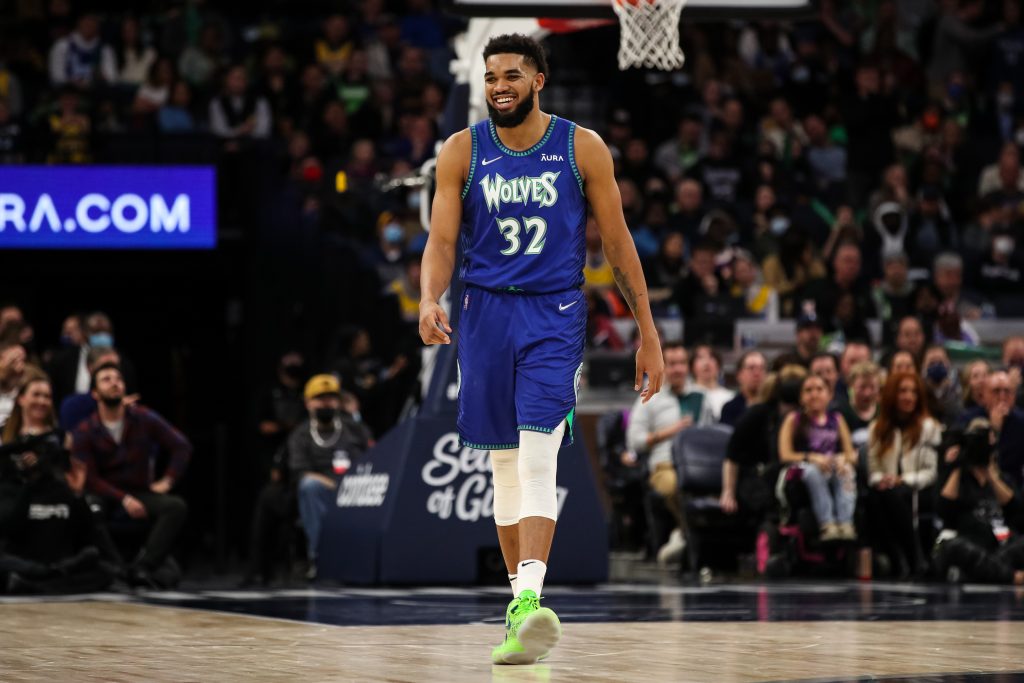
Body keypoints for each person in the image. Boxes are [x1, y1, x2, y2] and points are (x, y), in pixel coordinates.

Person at [418, 34, 663, 665]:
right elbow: (442, 241)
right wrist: (428, 298)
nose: (499, 84)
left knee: (536, 453)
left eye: (512, 75)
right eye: (491, 74)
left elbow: (618, 243)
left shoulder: (582, 148)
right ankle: (518, 611)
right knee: (502, 464)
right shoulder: (461, 151)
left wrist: (649, 333)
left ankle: (530, 599)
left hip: (553, 314)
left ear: (538, 80)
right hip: (483, 316)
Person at [71, 364, 191, 587]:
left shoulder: (142, 418)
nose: (115, 382)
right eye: (106, 379)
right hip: (106, 491)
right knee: (89, 508)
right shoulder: (85, 429)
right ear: (95, 393)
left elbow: (181, 446)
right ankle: (116, 567)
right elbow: (91, 479)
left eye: (118, 378)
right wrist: (123, 499)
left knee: (175, 506)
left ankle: (144, 566)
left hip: (138, 489)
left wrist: (167, 480)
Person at [285, 374, 372, 580]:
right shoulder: (301, 434)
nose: (326, 403)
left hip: (359, 488)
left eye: (331, 398)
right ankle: (321, 558)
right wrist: (334, 485)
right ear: (308, 403)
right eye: (320, 399)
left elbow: (375, 454)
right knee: (309, 486)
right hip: (324, 490)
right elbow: (300, 472)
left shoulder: (353, 427)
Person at [626, 342, 697, 566]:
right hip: (663, 466)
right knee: (676, 486)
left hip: (699, 465)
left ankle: (683, 538)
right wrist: (669, 432)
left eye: (682, 363)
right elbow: (634, 441)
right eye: (672, 364)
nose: (678, 369)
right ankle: (690, 537)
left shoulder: (700, 397)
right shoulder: (650, 397)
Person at [867, 371, 941, 578]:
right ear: (892, 394)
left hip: (918, 489)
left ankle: (908, 557)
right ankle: (905, 558)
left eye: (913, 392)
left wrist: (903, 480)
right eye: (903, 391)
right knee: (877, 497)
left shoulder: (929, 427)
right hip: (887, 490)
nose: (909, 397)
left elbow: (931, 472)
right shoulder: (877, 429)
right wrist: (883, 479)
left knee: (893, 495)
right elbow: (873, 470)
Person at [934, 419, 1024, 585]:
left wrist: (990, 474)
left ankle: (984, 572)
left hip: (999, 545)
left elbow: (1015, 509)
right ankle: (1012, 577)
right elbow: (943, 508)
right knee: (953, 546)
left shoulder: (1001, 478)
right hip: (969, 542)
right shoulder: (954, 476)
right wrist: (958, 465)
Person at [721, 365, 807, 524]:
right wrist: (728, 492)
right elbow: (732, 453)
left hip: (786, 475)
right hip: (755, 479)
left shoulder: (806, 417)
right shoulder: (759, 412)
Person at [778, 374, 858, 541]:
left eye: (819, 389)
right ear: (801, 397)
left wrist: (843, 459)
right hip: (802, 467)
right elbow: (785, 454)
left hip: (831, 465)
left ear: (829, 395)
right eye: (808, 390)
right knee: (813, 472)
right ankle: (827, 523)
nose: (814, 394)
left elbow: (850, 453)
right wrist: (812, 457)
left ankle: (845, 523)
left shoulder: (837, 419)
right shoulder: (794, 419)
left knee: (847, 471)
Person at [840, 361, 882, 450]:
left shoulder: (883, 412)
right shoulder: (842, 411)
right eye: (862, 387)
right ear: (851, 386)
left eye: (872, 387)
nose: (867, 393)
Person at [688, 345, 735, 425]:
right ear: (692, 367)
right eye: (700, 358)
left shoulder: (731, 397)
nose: (706, 363)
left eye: (711, 357)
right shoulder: (686, 394)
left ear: (718, 366)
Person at [720, 351, 767, 427]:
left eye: (761, 368)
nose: (757, 373)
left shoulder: (774, 408)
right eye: (751, 368)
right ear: (739, 375)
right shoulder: (730, 408)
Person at [921, 345, 962, 426]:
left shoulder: (959, 388)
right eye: (932, 363)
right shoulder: (918, 390)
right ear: (923, 366)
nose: (936, 366)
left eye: (940, 362)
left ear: (948, 364)